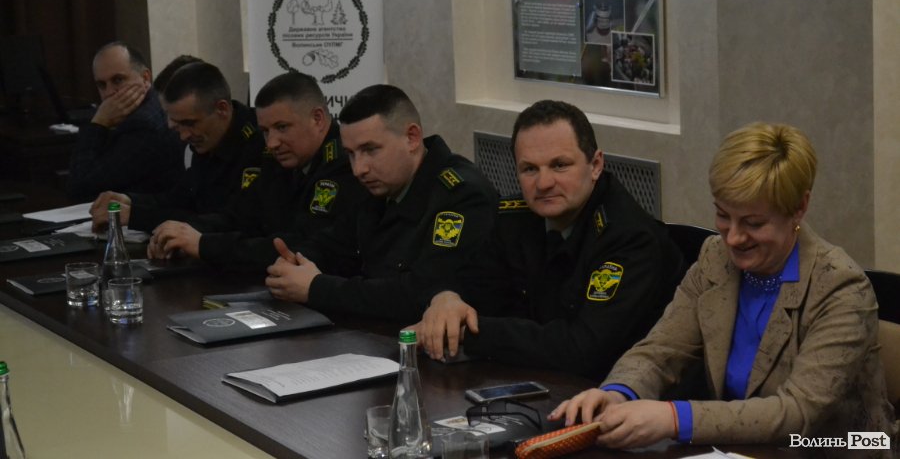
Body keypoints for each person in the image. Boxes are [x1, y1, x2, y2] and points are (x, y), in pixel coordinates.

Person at [550, 122, 898, 452]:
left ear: (799, 208)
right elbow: (662, 349)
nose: (732, 237)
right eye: (723, 216)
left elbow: (797, 413)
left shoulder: (841, 288)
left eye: (753, 223)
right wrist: (617, 393)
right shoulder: (715, 258)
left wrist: (674, 418)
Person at [413, 100, 684, 379]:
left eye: (560, 165)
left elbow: (583, 349)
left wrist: (469, 332)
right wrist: (446, 297)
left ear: (595, 165)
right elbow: (473, 282)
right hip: (533, 380)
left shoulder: (630, 238)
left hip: (612, 392)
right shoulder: (514, 217)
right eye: (530, 169)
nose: (543, 184)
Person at [264, 84, 498, 323]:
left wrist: (317, 288)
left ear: (412, 138)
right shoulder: (379, 185)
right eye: (351, 154)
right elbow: (334, 245)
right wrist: (295, 263)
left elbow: (421, 294)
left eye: (370, 150)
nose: (359, 169)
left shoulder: (461, 196)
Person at [146, 71, 365, 270]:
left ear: (317, 119)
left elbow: (298, 245)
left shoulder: (343, 163)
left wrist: (205, 245)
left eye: (282, 127)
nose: (272, 142)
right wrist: (182, 233)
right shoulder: (280, 158)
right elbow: (241, 215)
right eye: (265, 131)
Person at [88, 61, 265, 233]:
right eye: (178, 126)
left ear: (222, 109)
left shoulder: (259, 143)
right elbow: (183, 197)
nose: (183, 136)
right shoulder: (208, 139)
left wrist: (136, 216)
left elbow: (227, 220)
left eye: (190, 123)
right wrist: (130, 201)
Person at [67, 42, 182, 201]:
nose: (109, 93)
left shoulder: (143, 124)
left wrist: (98, 122)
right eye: (102, 85)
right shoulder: (150, 105)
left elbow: (79, 187)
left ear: (145, 78)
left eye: (118, 80)